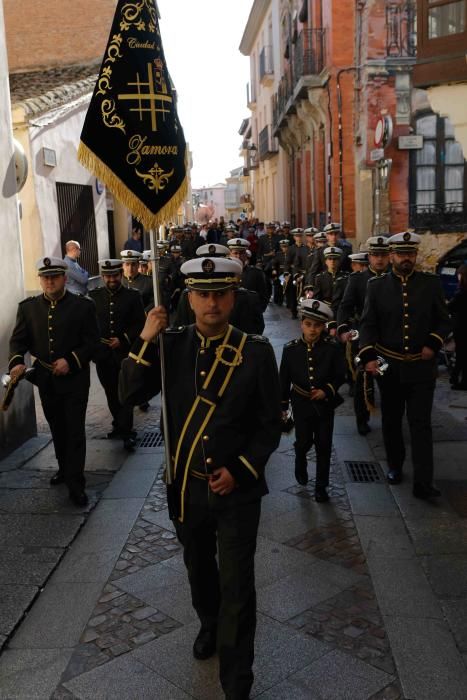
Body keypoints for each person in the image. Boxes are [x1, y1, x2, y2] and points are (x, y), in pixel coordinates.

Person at [119, 255, 282, 700]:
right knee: (199, 570)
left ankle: (236, 681)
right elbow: (128, 394)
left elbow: (270, 425)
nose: (212, 303)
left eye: (220, 294)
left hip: (239, 491)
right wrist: (145, 340)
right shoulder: (170, 347)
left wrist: (242, 469)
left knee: (238, 584)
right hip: (186, 488)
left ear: (233, 297)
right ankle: (208, 624)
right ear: (189, 299)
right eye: (203, 294)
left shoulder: (256, 353)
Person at [358, 231, 452, 499]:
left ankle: (424, 481)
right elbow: (368, 324)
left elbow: (444, 321)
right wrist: (368, 357)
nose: (406, 259)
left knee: (420, 424)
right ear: (392, 256)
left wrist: (432, 344)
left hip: (422, 369)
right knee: (391, 420)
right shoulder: (376, 287)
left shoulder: (430, 284)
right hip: (390, 367)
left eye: (410, 254)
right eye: (401, 254)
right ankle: (395, 465)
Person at [8, 257, 99, 506]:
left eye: (55, 276)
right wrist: (16, 361)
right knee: (57, 428)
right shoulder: (28, 308)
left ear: (64, 278)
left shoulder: (83, 307)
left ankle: (76, 484)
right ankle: (64, 468)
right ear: (40, 279)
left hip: (75, 380)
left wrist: (71, 359)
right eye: (45, 277)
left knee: (74, 430)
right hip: (45, 378)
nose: (49, 281)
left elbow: (92, 342)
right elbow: (18, 342)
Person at [280, 299, 345, 500]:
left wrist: (327, 390)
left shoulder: (332, 347)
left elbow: (340, 374)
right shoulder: (291, 349)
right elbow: (283, 379)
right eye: (308, 324)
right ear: (301, 324)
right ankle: (300, 460)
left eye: (317, 325)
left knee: (324, 444)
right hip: (300, 404)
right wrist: (283, 405)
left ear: (323, 326)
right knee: (303, 442)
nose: (312, 330)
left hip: (324, 405)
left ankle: (321, 486)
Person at [90, 259, 146, 451]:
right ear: (103, 276)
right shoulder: (93, 296)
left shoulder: (132, 296)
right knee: (110, 393)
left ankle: (127, 431)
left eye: (115, 275)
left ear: (120, 275)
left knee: (125, 393)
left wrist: (122, 339)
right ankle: (118, 424)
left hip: (125, 354)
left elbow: (140, 323)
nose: (111, 279)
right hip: (103, 355)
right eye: (108, 276)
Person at [337, 236, 390, 435]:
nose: (379, 260)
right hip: (365, 339)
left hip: (388, 341)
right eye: (375, 255)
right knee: (363, 382)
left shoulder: (395, 279)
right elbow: (345, 306)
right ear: (369, 257)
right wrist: (342, 329)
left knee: (387, 379)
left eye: (383, 255)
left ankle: (390, 418)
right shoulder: (358, 279)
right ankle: (362, 418)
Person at [227, 238, 269, 311]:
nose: (238, 256)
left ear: (246, 255)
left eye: (241, 253)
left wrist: (257, 312)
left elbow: (263, 297)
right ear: (229, 254)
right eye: (235, 253)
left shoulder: (256, 273)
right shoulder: (224, 272)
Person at [448, 264, 467, 390]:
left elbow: (449, 308)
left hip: (462, 328)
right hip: (462, 327)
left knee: (462, 354)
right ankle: (455, 377)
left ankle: (461, 380)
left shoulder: (462, 292)